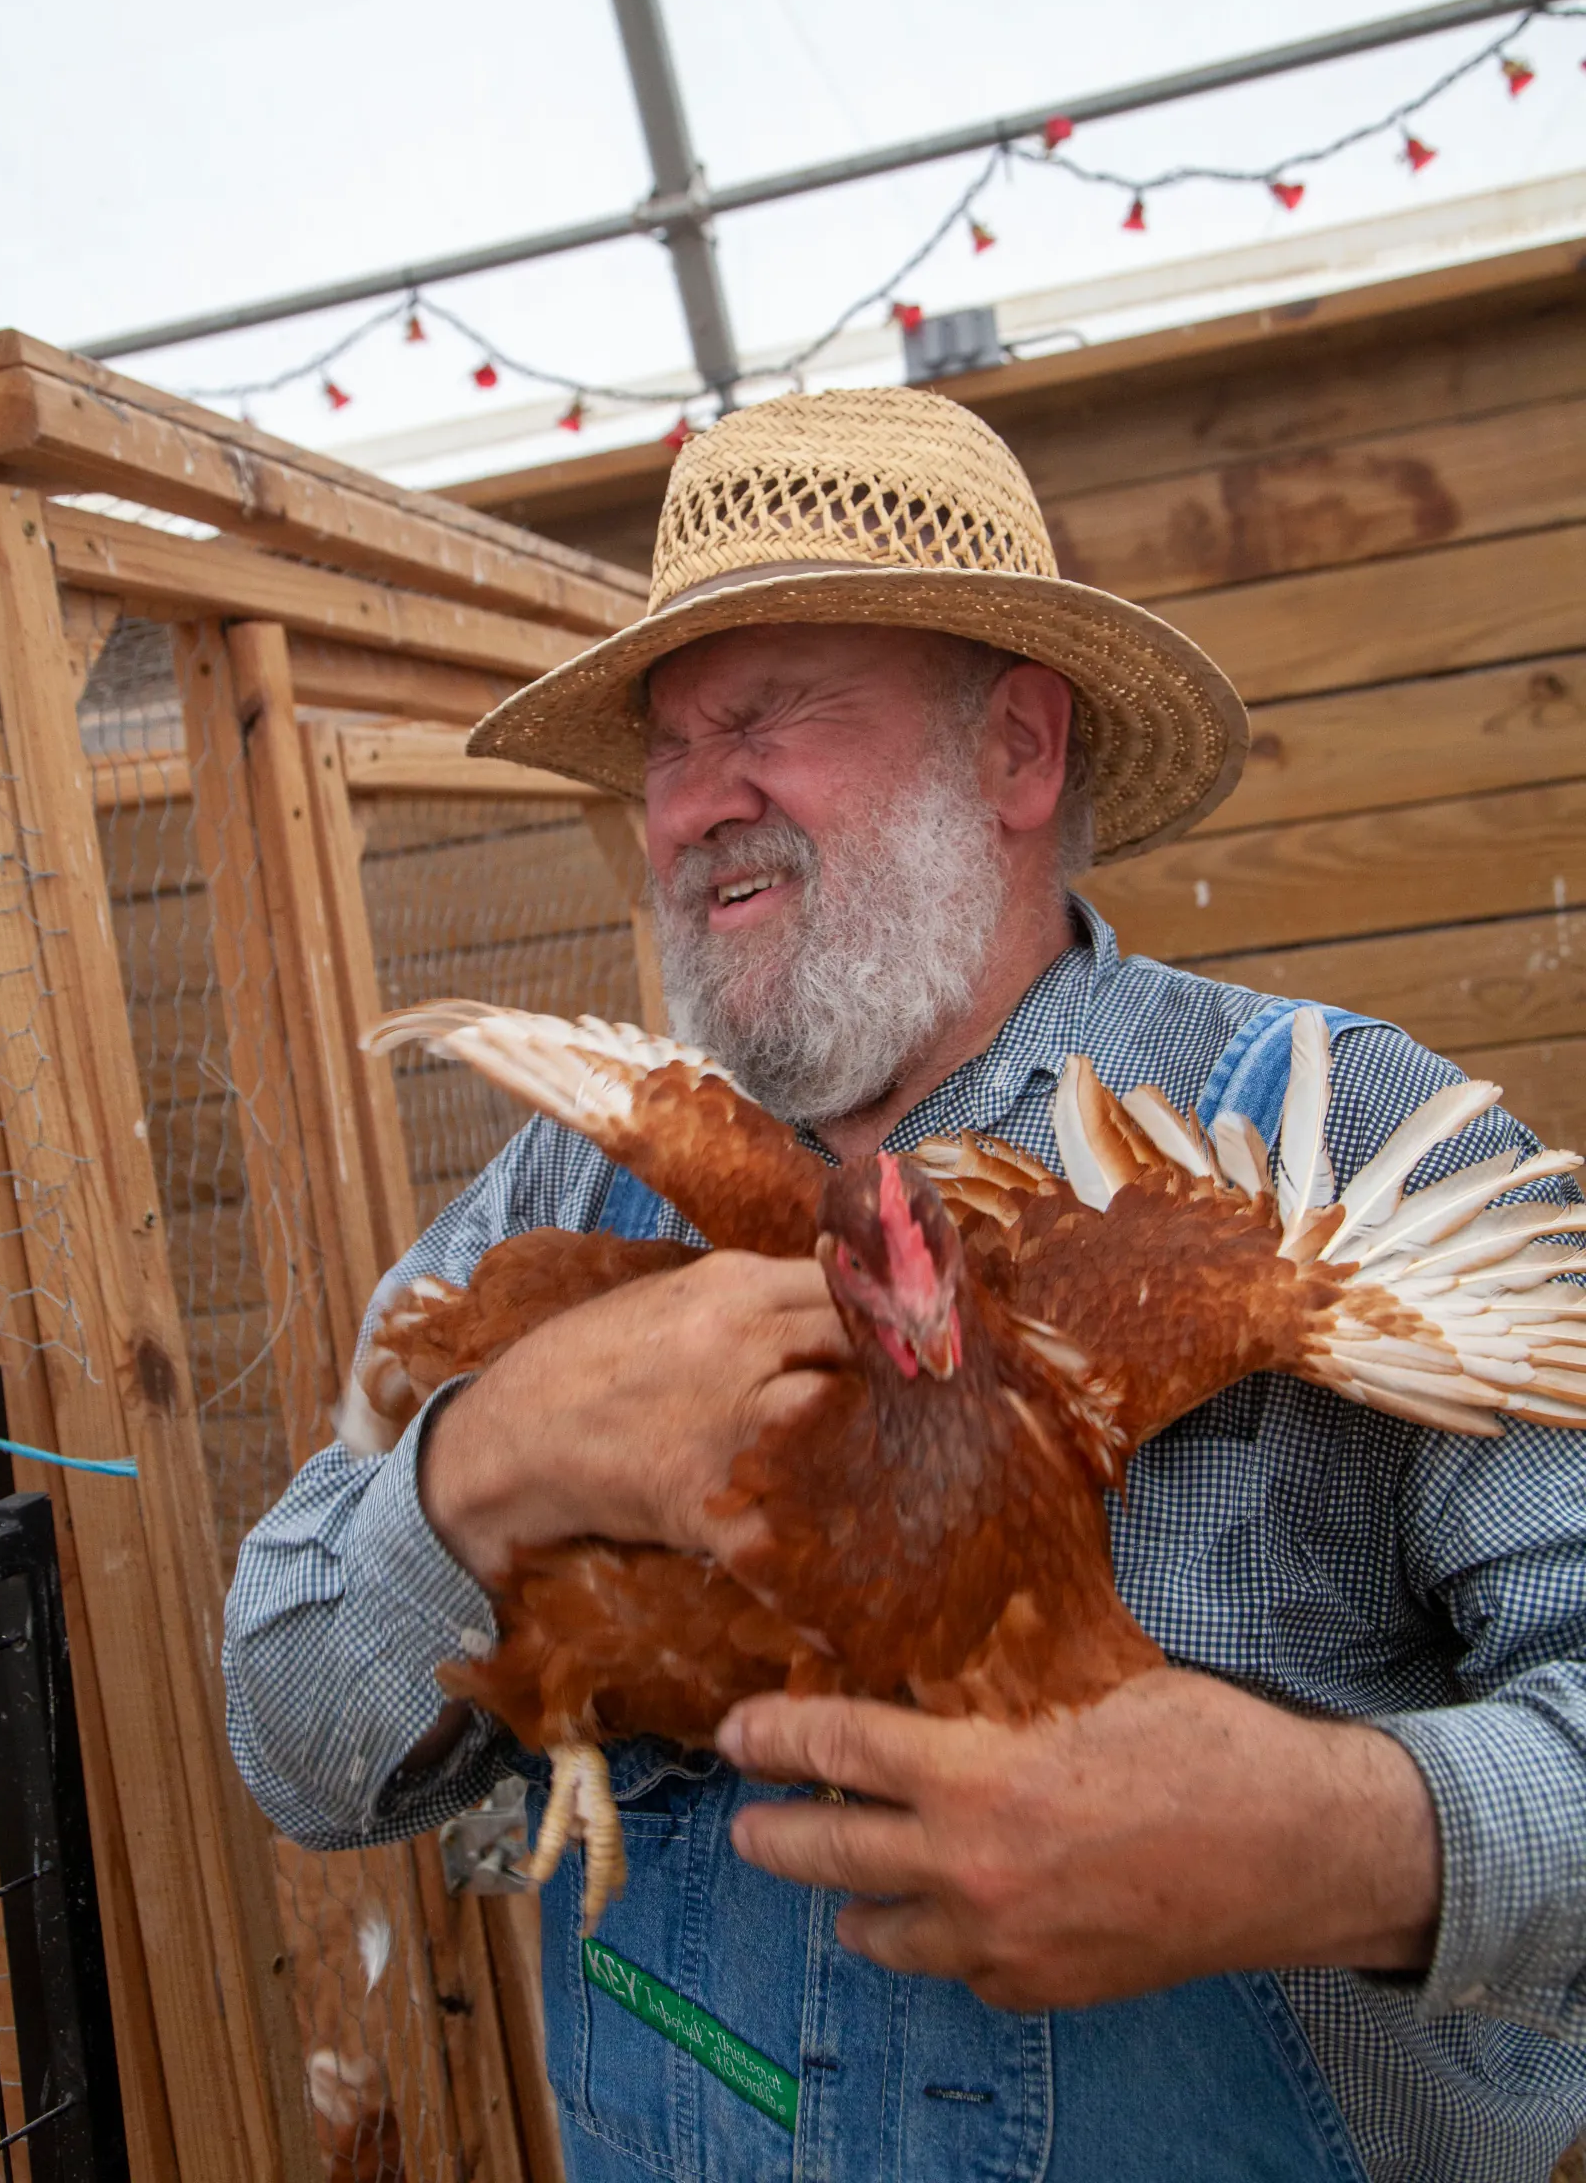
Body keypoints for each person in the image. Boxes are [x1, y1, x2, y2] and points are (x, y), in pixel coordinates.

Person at [225, 388, 1586, 2183]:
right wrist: (492, 1460)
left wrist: (1331, 1842)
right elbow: (286, 1735)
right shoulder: (574, 1178)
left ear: (1019, 752)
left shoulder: (1329, 1146)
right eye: (669, 749)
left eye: (775, 716)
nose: (701, 805)